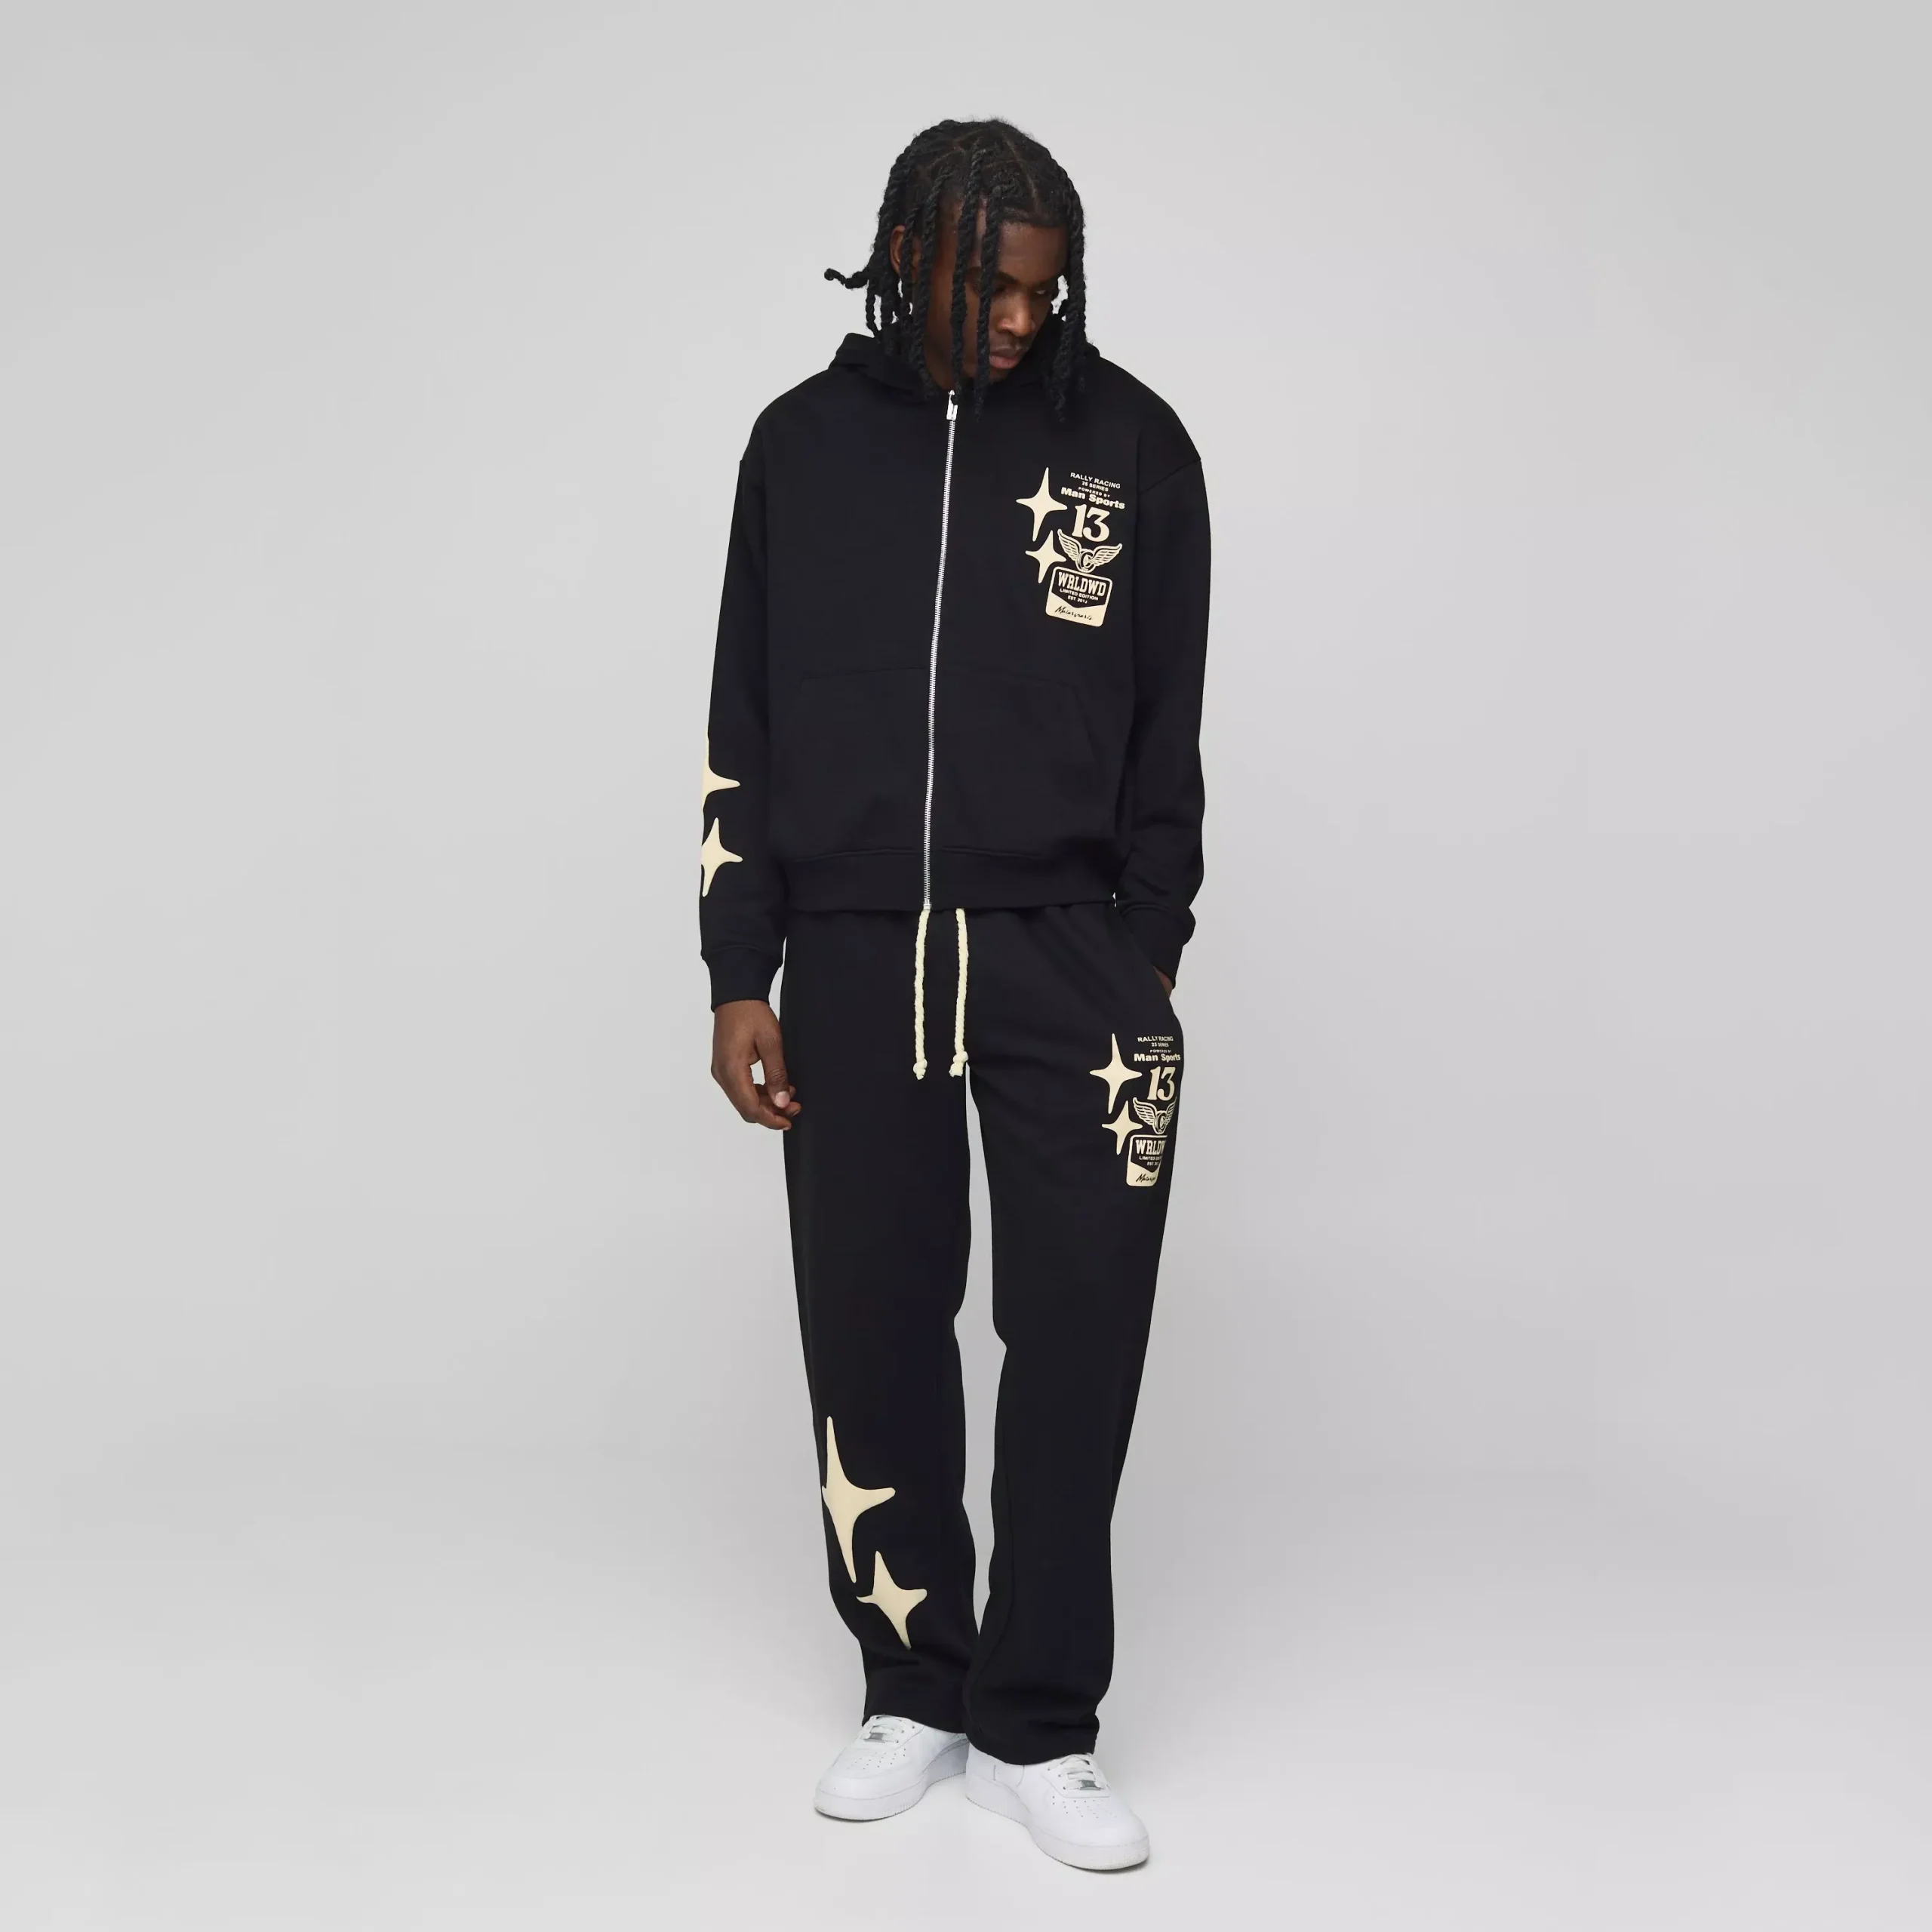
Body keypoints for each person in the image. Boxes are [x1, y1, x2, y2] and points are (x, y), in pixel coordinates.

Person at [698, 117, 1209, 1872]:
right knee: (869, 1314)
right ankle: (912, 1680)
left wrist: (1140, 947)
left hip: (1070, 953)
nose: (1014, 316)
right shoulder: (799, 447)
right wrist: (739, 963)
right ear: (905, 250)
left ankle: (1037, 1721)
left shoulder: (1129, 444)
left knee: (1077, 1327)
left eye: (1039, 290)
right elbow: (742, 716)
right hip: (851, 950)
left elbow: (1167, 724)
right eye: (987, 281)